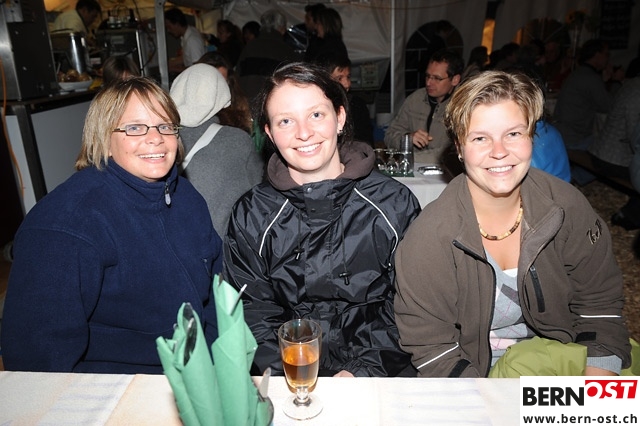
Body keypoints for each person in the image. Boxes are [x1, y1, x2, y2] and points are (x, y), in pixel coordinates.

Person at [394, 70, 631, 378]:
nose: (499, 152)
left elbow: (600, 303)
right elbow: (431, 346)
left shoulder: (566, 207)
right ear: (459, 147)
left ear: (531, 135)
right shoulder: (429, 239)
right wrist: (486, 400)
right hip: (474, 377)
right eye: (480, 138)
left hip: (564, 360)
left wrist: (594, 388)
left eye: (514, 134)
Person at [1, 77, 223, 374]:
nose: (156, 138)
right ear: (104, 140)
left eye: (165, 126)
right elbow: (37, 362)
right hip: (121, 385)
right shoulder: (64, 226)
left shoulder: (186, 197)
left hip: (197, 371)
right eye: (135, 128)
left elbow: (216, 293)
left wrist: (217, 361)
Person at [223, 62, 421, 378]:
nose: (304, 133)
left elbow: (411, 305)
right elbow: (251, 310)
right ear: (269, 133)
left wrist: (361, 371)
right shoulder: (252, 215)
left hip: (380, 373)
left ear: (339, 117)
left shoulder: (393, 204)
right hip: (291, 375)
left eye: (316, 114)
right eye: (286, 121)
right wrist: (294, 369)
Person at [170, 63, 263, 236]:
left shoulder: (161, 138)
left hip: (179, 240)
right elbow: (259, 196)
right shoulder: (237, 141)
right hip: (222, 245)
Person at [384, 48, 464, 164]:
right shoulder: (415, 99)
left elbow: (457, 151)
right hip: (413, 168)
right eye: (427, 76)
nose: (428, 83)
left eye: (437, 78)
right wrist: (407, 138)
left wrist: (412, 159)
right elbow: (389, 136)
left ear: (455, 80)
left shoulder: (463, 106)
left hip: (445, 171)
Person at [588, 76, 640, 230]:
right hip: (610, 159)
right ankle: (628, 215)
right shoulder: (636, 91)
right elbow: (634, 136)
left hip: (602, 152)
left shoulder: (630, 85)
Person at [553, 39, 614, 151]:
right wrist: (616, 82)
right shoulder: (590, 77)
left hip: (562, 132)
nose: (608, 58)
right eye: (606, 54)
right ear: (597, 54)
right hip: (574, 138)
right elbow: (609, 106)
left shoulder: (577, 73)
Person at [236, 9, 300, 103]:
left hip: (248, 101)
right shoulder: (287, 51)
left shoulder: (249, 47)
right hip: (274, 103)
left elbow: (238, 75)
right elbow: (294, 81)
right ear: (282, 29)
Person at [316, 52, 374, 147]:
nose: (347, 84)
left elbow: (366, 146)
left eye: (348, 77)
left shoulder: (357, 106)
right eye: (339, 78)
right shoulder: (315, 107)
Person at [196, 51, 252, 134]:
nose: (217, 88)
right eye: (212, 81)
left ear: (229, 82)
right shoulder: (190, 112)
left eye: (222, 82)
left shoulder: (239, 109)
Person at [164, 8, 206, 74]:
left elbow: (197, 68)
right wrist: (169, 64)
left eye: (169, 27)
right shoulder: (187, 34)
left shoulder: (192, 40)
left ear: (177, 24)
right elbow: (186, 57)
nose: (168, 31)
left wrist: (175, 69)